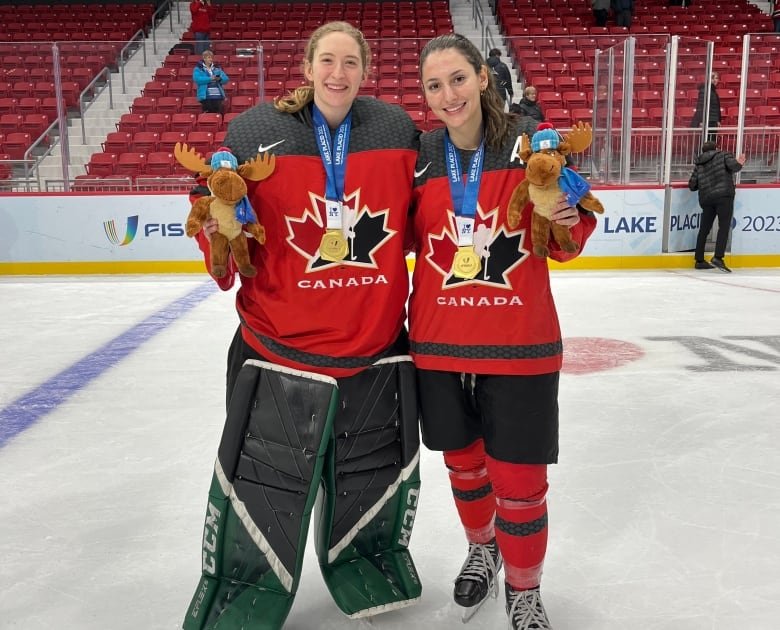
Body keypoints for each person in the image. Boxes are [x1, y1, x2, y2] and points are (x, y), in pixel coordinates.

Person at [180, 21, 423, 630]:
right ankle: (244, 587)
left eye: (350, 62)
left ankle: (365, 564)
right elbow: (224, 219)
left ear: (366, 70)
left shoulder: (396, 132)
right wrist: (216, 233)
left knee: (366, 482)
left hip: (372, 352)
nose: (338, 74)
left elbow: (429, 219)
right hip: (276, 352)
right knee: (264, 491)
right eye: (328, 61)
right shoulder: (254, 133)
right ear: (307, 67)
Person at [410, 33, 598, 630]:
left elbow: (571, 234)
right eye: (435, 85)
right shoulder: (420, 155)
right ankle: (483, 549)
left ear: (483, 77)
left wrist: (566, 217)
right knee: (464, 469)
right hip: (439, 346)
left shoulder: (531, 143)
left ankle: (524, 589)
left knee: (518, 483)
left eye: (458, 79)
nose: (448, 95)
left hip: (520, 346)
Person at [688, 140, 745, 273]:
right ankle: (718, 257)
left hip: (707, 199)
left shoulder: (699, 164)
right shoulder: (723, 155)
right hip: (723, 196)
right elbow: (734, 166)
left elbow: (692, 185)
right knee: (724, 227)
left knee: (704, 229)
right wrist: (740, 163)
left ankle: (699, 260)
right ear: (716, 148)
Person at [192, 49, 228, 113]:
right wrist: (210, 79)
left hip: (218, 96)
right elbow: (197, 79)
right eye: (209, 57)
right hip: (205, 97)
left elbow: (226, 79)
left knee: (217, 115)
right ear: (204, 58)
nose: (211, 59)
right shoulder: (198, 69)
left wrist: (219, 79)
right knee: (208, 116)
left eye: (211, 58)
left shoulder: (217, 68)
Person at [691, 72, 722, 141]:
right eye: (713, 78)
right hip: (707, 121)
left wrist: (718, 120)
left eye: (716, 78)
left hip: (713, 121)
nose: (715, 80)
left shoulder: (713, 91)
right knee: (706, 141)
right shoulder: (705, 90)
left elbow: (716, 107)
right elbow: (700, 106)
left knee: (712, 141)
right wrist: (701, 121)